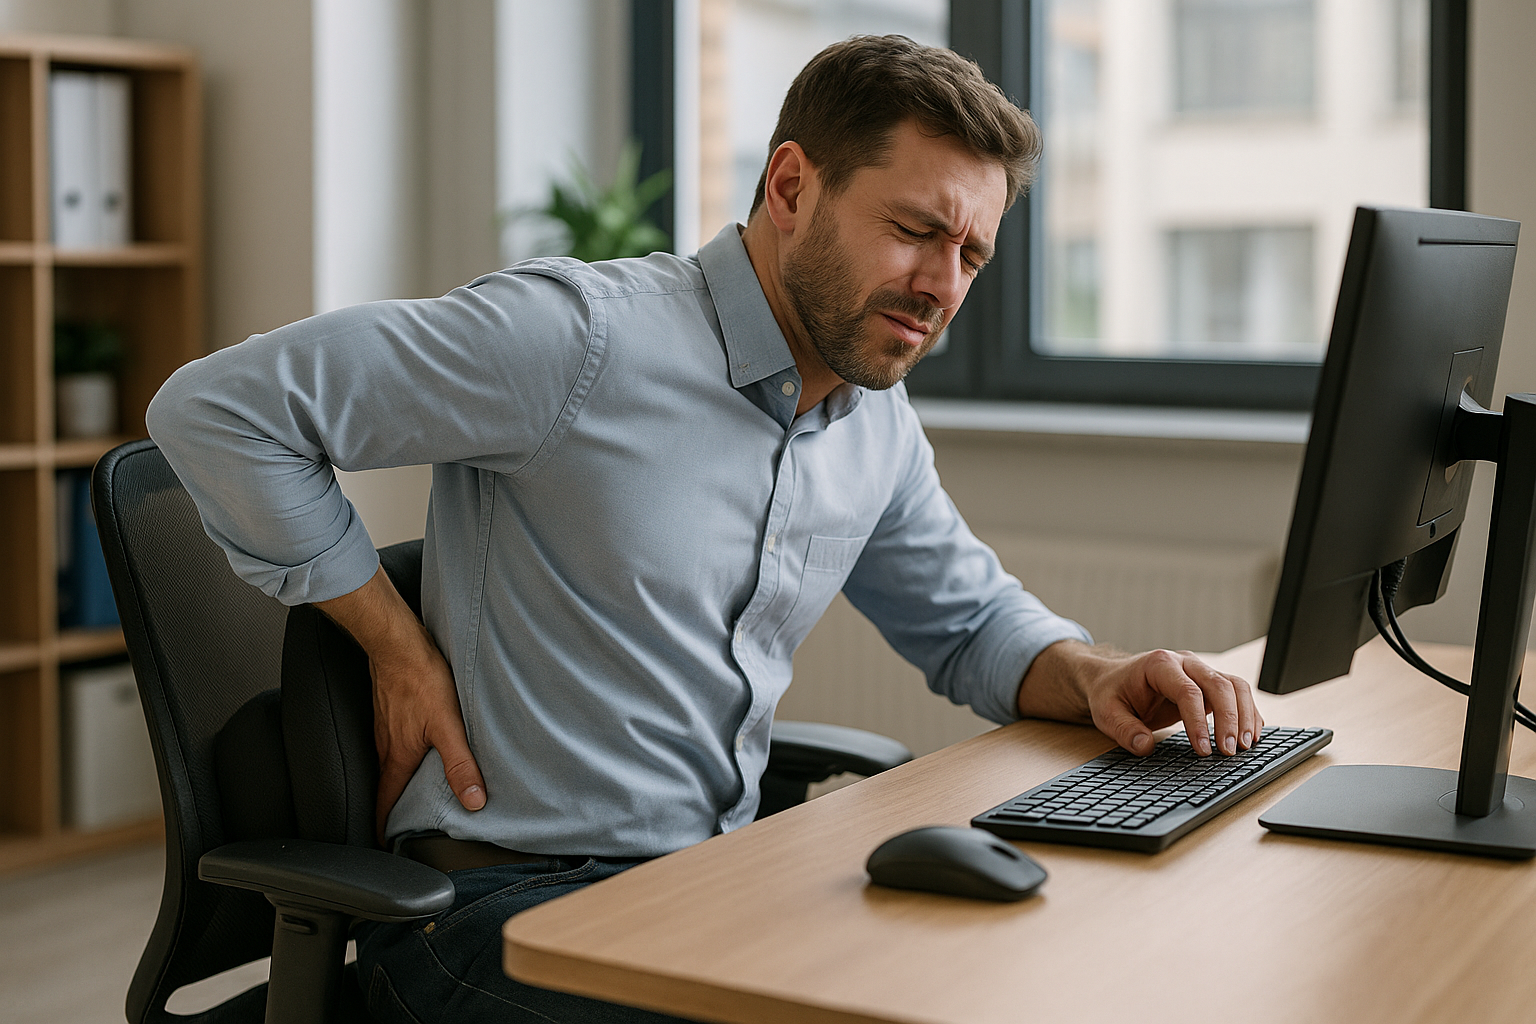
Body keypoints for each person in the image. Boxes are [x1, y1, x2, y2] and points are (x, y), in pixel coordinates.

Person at [148, 34, 1261, 1024]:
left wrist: (1100, 674)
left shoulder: (869, 418)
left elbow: (969, 622)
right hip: (495, 909)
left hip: (704, 887)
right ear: (792, 186)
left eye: (971, 255)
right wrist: (392, 642)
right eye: (916, 230)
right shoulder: (579, 341)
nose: (941, 286)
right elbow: (217, 409)